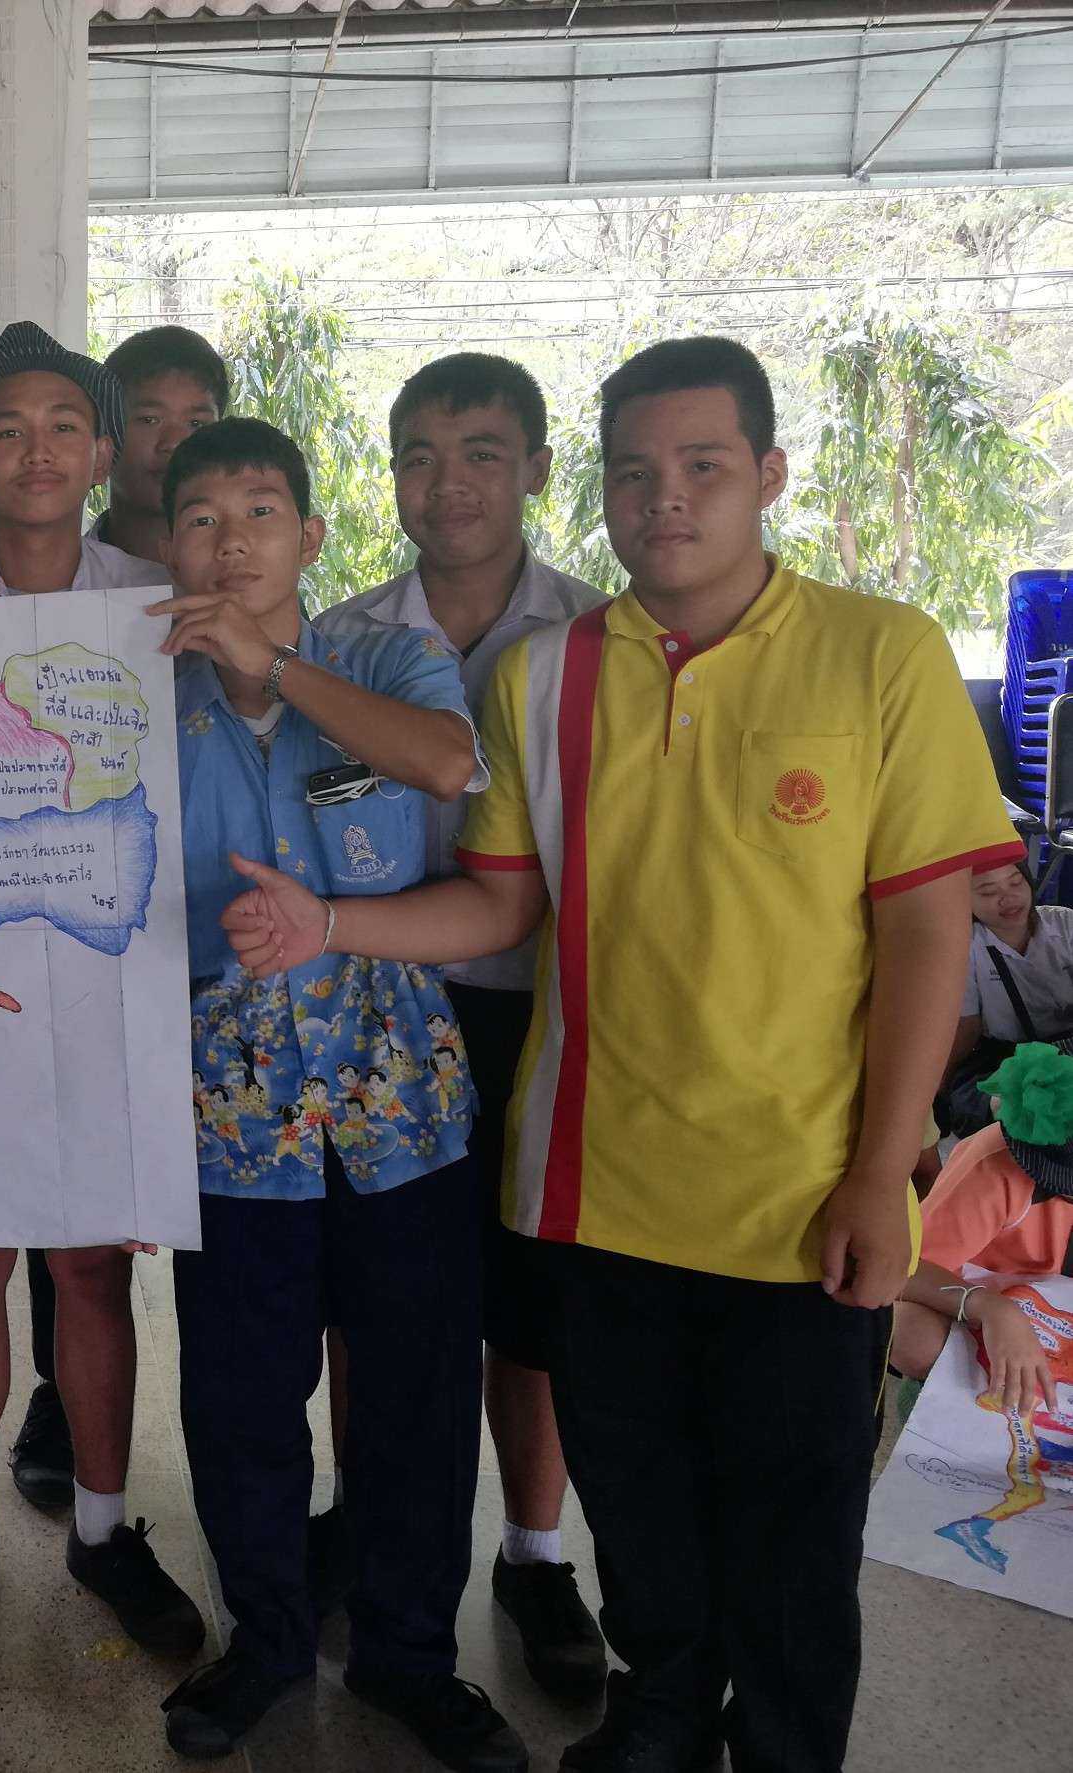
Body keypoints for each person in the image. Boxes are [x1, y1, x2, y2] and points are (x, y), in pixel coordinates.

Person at [216, 336, 1023, 1773]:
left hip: (801, 1196)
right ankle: (656, 1728)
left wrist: (877, 1173)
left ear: (769, 475)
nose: (668, 499)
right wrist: (325, 921)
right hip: (595, 1186)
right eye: (637, 473)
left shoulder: (880, 652)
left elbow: (925, 932)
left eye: (704, 465)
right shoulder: (547, 675)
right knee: (638, 1511)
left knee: (792, 1537)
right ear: (598, 490)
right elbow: (498, 907)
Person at [148, 419, 525, 1771]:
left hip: (400, 1108)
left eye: (261, 511)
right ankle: (262, 1636)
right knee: (240, 1400)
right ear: (170, 543)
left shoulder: (384, 657)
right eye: (202, 516)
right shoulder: (138, 690)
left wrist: (277, 667)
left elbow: (445, 765)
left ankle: (412, 1656)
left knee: (417, 1398)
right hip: (225, 1117)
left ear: (310, 536)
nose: (231, 542)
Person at [0, 321, 204, 1662]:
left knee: (90, 1268)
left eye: (66, 424)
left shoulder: (158, 597)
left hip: (113, 976)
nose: (38, 449)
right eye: (6, 429)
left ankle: (106, 1530)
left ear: (104, 451)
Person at [315, 353, 608, 1698]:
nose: (450, 484)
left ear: (537, 467)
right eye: (421, 457)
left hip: (543, 1014)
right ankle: (366, 1514)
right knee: (371, 1300)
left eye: (484, 452)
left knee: (532, 1304)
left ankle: (535, 1554)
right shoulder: (339, 641)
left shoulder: (601, 639)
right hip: (379, 1010)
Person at [894, 1040, 1073, 1572]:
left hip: (1057, 1324)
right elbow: (903, 1272)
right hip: (979, 1311)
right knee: (906, 1332)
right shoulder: (996, 1166)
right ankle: (941, 1399)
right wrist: (990, 1310)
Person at [941, 861, 1073, 1131]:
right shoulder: (965, 947)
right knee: (982, 1102)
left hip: (1068, 1048)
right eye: (988, 892)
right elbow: (968, 1027)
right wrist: (940, 1083)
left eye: (1015, 882)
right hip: (1008, 1058)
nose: (1008, 898)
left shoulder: (1065, 924)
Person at [94, 323, 229, 564]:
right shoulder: (59, 581)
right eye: (149, 420)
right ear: (103, 438)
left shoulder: (253, 578)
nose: (174, 443)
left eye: (196, 423)